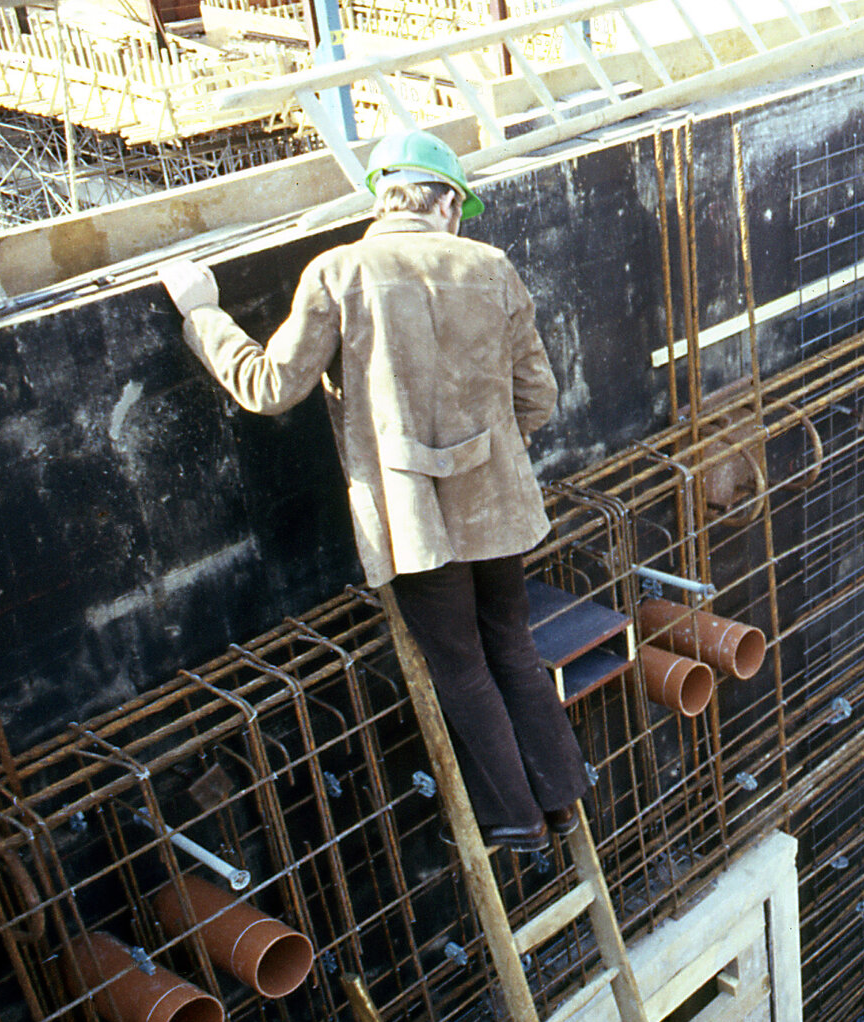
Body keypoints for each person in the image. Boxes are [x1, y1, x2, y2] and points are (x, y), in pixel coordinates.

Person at [159, 131, 586, 851]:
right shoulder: (492, 267)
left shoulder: (337, 273)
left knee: (459, 663)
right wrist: (489, 455)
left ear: (383, 197)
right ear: (448, 201)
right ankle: (561, 798)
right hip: (500, 510)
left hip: (416, 521)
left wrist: (202, 310)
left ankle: (516, 817)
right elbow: (537, 397)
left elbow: (268, 387)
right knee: (510, 643)